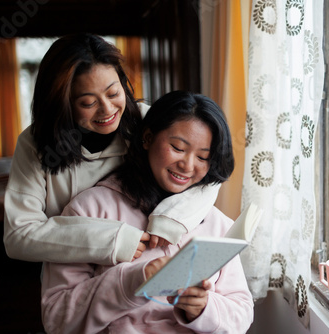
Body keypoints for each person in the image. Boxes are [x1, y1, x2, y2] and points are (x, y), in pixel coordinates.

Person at [41, 91, 254, 333]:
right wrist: (134, 281)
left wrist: (204, 308)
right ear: (147, 138)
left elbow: (242, 312)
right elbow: (56, 319)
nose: (188, 165)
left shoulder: (216, 223)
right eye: (177, 147)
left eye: (203, 157)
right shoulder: (89, 210)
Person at [3, 34, 219, 265]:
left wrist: (171, 219)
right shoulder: (35, 143)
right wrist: (112, 240)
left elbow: (208, 175)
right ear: (61, 103)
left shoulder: (146, 122)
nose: (107, 109)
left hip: (148, 263)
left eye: (114, 93)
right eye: (88, 103)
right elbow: (18, 235)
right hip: (71, 271)